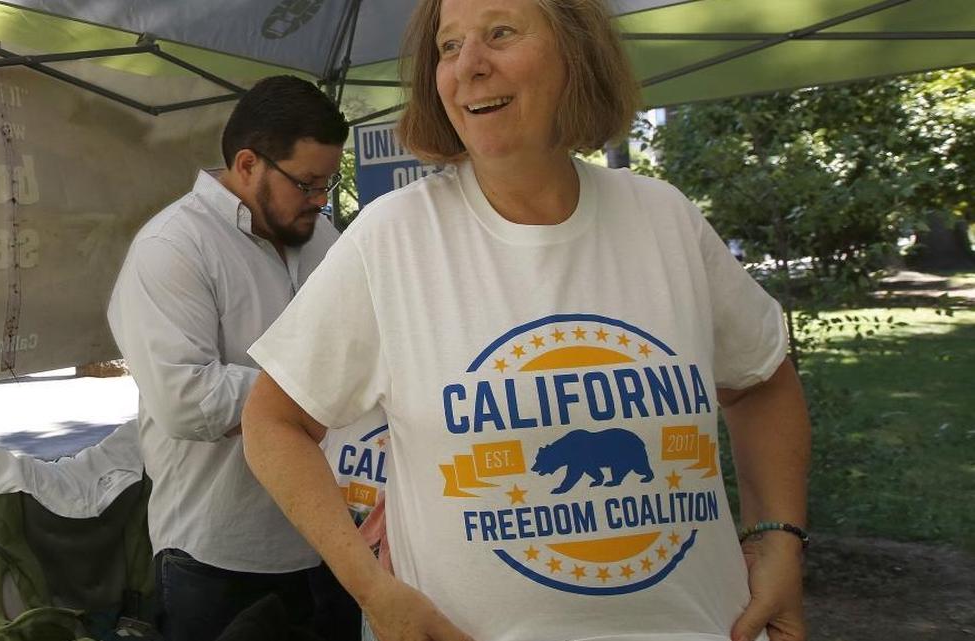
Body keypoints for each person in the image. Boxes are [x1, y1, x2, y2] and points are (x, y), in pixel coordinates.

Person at [241, 2, 811, 641]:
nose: (469, 66)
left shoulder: (664, 219)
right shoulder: (394, 239)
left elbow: (761, 379)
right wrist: (373, 590)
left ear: (576, 52)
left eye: (501, 33)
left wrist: (779, 537)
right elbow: (273, 423)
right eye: (449, 47)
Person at [107, 75, 350, 641]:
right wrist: (314, 390)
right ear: (247, 164)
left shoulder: (320, 239)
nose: (320, 199)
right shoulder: (172, 247)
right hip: (218, 555)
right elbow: (185, 401)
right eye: (308, 183)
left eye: (327, 183)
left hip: (331, 540)